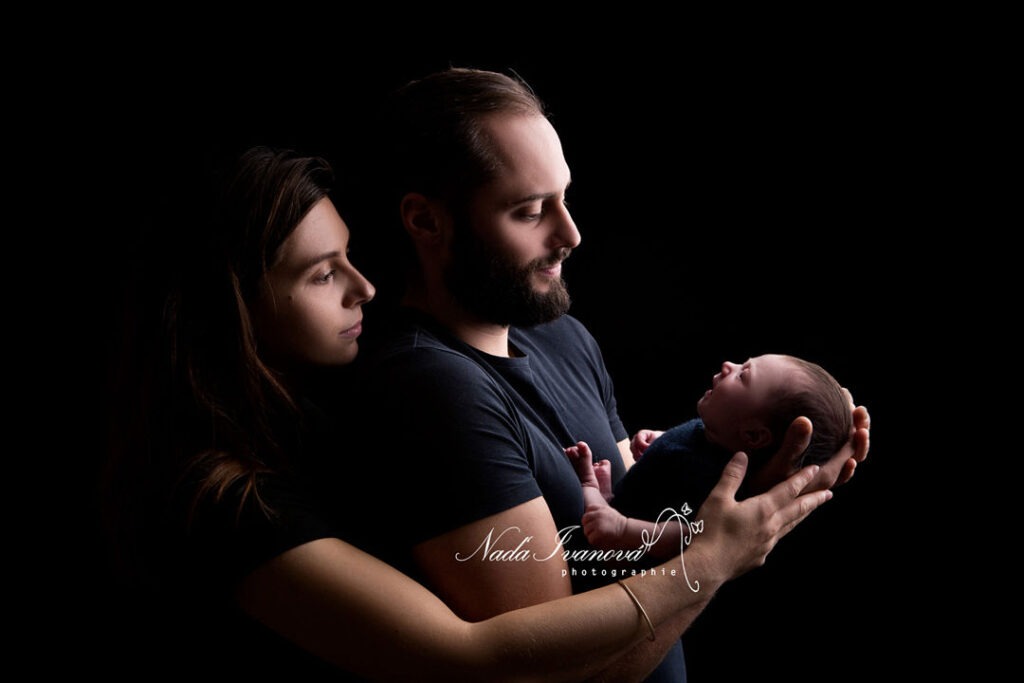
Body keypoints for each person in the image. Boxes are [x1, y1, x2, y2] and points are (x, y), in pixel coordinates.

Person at [103, 145, 847, 681]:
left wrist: (743, 490)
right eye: (323, 273)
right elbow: (476, 657)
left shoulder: (306, 422)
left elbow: (634, 503)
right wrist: (712, 559)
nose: (364, 288)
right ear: (232, 312)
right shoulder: (229, 502)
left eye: (352, 257)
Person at [341, 67, 870, 682]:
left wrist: (746, 498)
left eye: (564, 198)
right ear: (426, 221)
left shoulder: (561, 335)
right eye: (529, 211)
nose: (570, 234)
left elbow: (641, 521)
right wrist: (716, 556)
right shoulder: (427, 387)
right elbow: (567, 674)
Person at [565, 354, 853, 559]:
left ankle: (596, 495)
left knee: (598, 517)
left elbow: (691, 536)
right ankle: (608, 500)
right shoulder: (712, 434)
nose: (729, 365)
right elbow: (688, 441)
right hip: (631, 503)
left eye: (743, 375)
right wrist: (658, 440)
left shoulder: (723, 481)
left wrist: (623, 529)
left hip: (625, 553)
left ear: (753, 435)